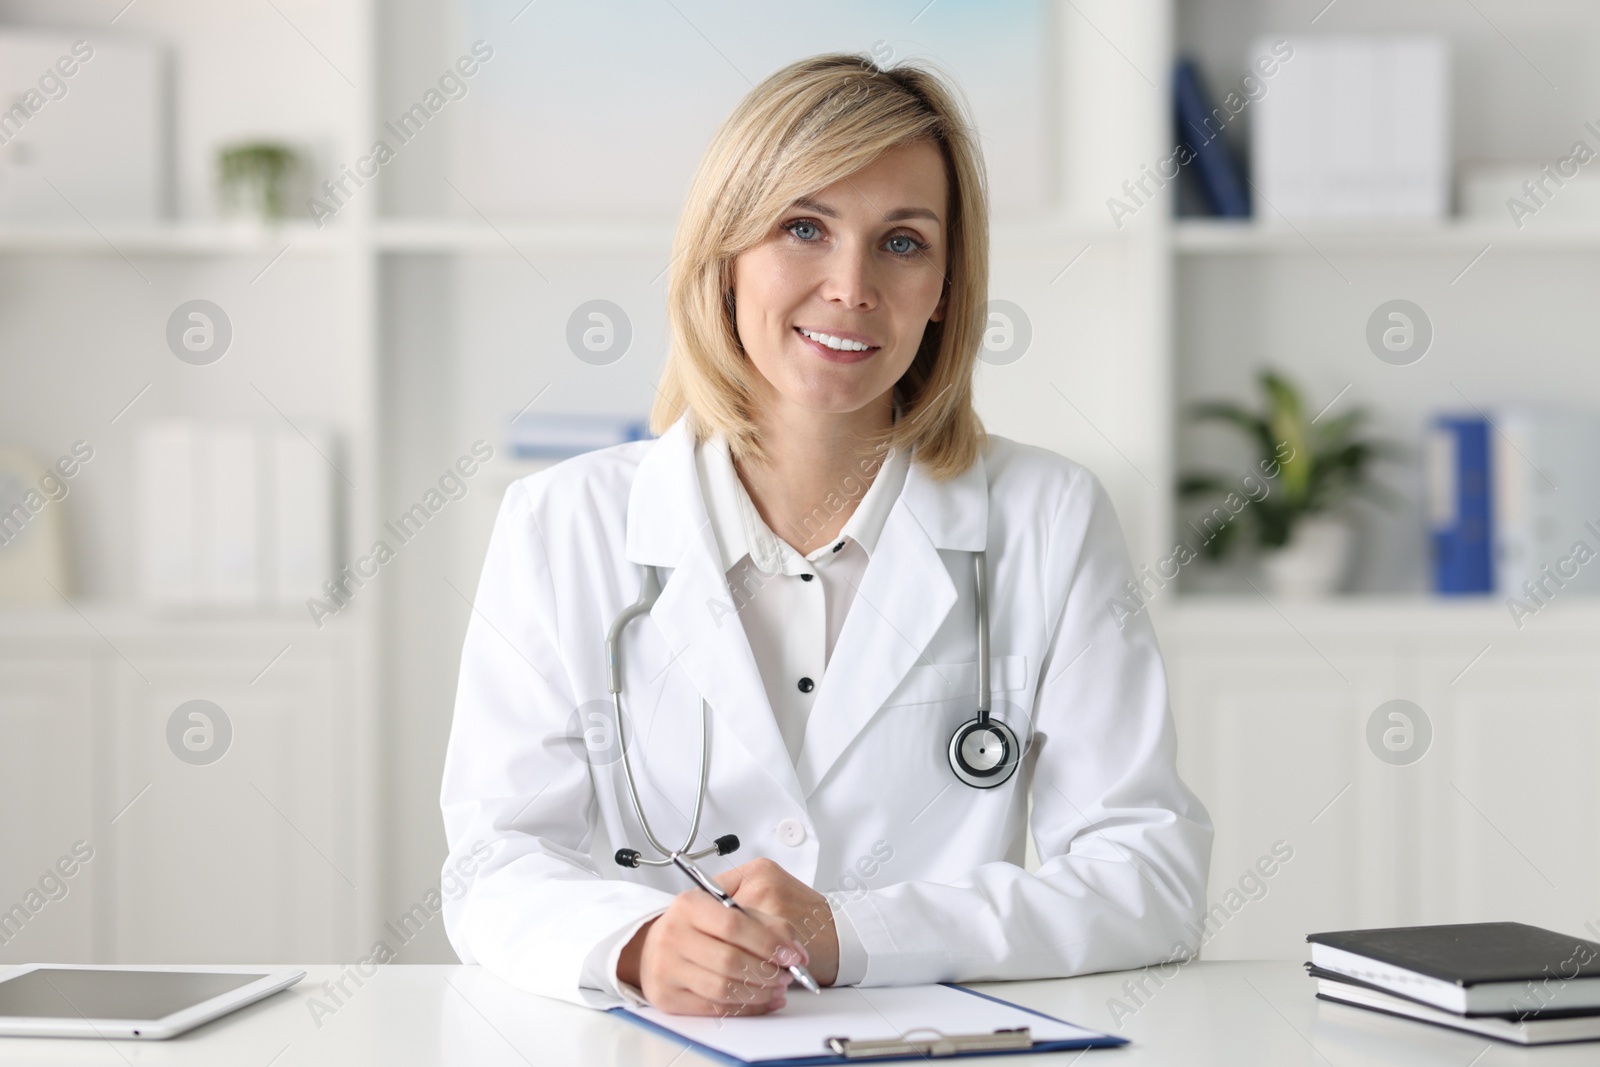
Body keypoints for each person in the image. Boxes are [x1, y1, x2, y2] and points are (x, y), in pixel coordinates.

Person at [439, 52, 1212, 1017]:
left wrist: (853, 932)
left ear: (945, 289)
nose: (852, 287)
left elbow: (1151, 878)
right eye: (804, 228)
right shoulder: (561, 524)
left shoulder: (1047, 516)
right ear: (724, 256)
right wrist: (635, 945)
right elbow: (491, 864)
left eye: (903, 242)